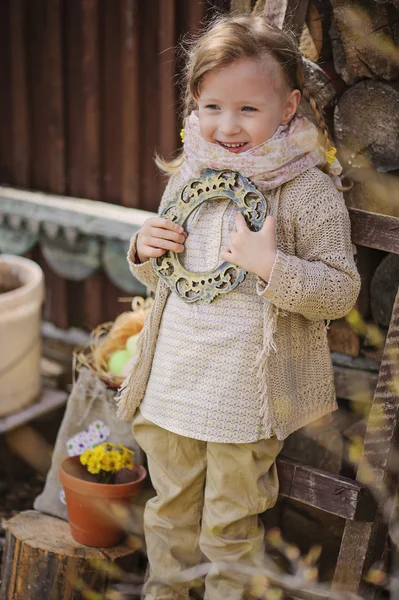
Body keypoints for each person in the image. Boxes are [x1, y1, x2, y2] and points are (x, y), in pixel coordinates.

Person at [117, 14, 361, 600]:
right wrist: (144, 250)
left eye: (248, 109)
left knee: (229, 529)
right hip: (175, 381)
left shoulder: (306, 191)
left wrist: (270, 265)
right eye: (212, 107)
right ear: (194, 104)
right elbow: (167, 272)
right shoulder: (190, 176)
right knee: (168, 514)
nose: (227, 126)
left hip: (242, 397)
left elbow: (341, 290)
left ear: (288, 107)